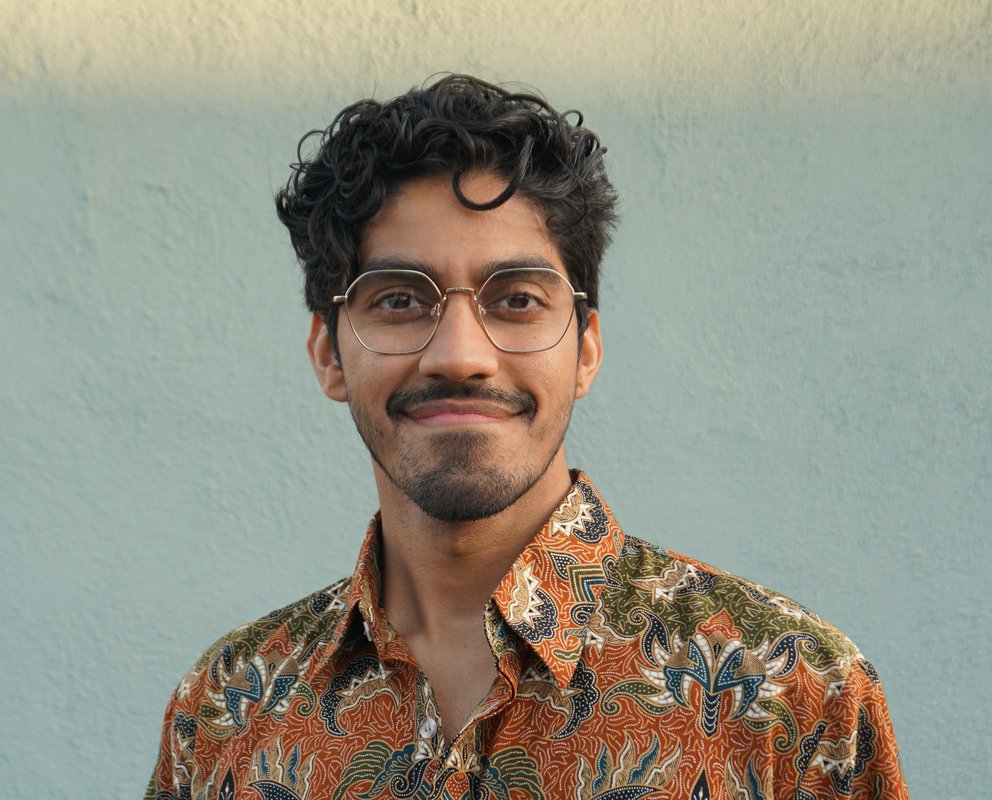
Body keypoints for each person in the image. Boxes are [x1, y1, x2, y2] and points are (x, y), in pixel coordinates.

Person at [146, 75, 908, 800]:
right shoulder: (225, 710)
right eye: (400, 300)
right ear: (328, 353)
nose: (461, 356)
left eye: (516, 299)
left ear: (585, 349)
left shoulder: (795, 694)